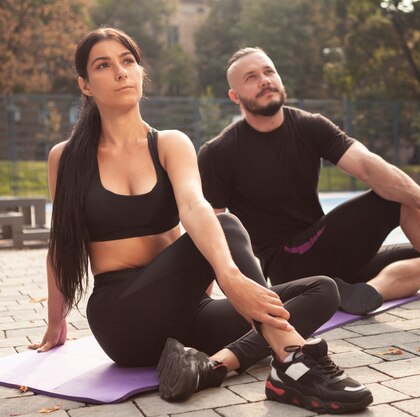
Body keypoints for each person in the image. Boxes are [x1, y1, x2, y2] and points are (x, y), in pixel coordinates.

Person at [29, 29, 372, 414]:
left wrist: (229, 279)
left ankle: (210, 366)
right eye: (103, 65)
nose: (121, 72)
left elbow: (194, 205)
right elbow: (61, 245)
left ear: (141, 72)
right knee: (229, 227)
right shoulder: (67, 157)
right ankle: (291, 357)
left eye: (128, 61)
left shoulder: (170, 143)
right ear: (85, 85)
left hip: (187, 316)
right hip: (125, 319)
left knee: (323, 290)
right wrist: (55, 324)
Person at [198, 47, 420, 314]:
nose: (264, 81)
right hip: (287, 263)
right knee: (394, 199)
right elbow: (215, 228)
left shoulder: (309, 125)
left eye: (269, 72)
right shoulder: (219, 152)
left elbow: (370, 165)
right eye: (251, 78)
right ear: (235, 96)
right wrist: (225, 290)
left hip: (329, 251)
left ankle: (363, 294)